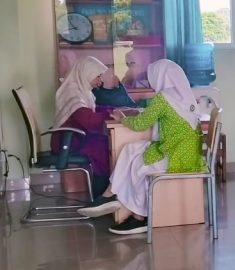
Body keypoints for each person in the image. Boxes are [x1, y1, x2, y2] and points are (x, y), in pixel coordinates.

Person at [78, 59, 206, 235]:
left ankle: (140, 217)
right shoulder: (184, 96)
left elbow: (140, 124)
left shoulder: (163, 98)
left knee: (139, 167)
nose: (150, 82)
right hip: (186, 155)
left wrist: (122, 118)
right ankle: (111, 193)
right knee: (130, 149)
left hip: (174, 157)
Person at [52, 56, 113, 197]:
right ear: (87, 73)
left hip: (75, 137)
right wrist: (110, 115)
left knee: (106, 144)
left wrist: (112, 110)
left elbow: (91, 111)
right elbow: (88, 119)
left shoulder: (81, 90)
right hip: (67, 141)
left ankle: (105, 192)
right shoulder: (72, 92)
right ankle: (102, 194)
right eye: (98, 76)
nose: (100, 81)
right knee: (105, 147)